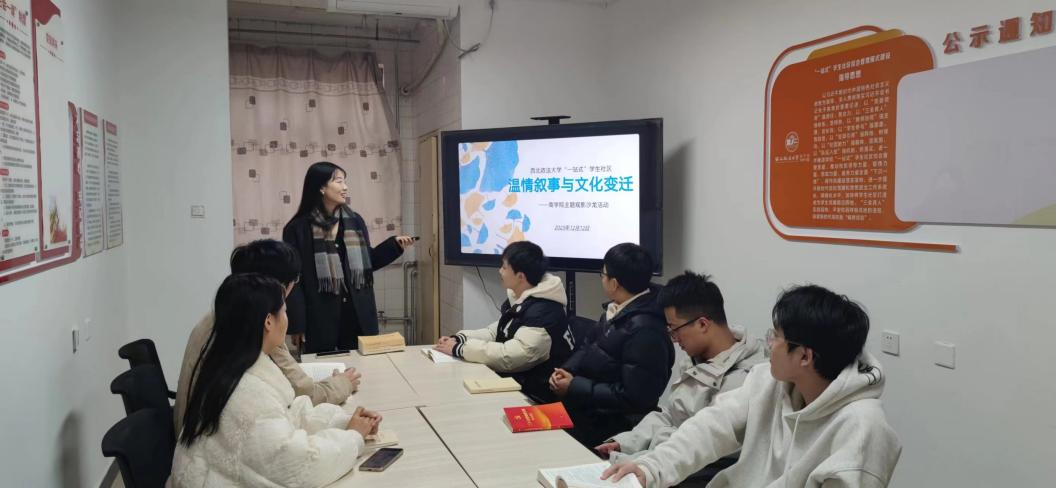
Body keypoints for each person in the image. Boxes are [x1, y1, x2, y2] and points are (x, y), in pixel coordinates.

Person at [603, 285, 902, 488]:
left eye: (776, 337)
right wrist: (651, 468)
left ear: (805, 356)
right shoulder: (768, 381)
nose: (768, 345)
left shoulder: (863, 430)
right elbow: (709, 428)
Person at [171, 274, 382, 487]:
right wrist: (353, 437)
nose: (287, 319)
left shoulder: (231, 367)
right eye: (285, 311)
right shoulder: (247, 395)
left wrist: (345, 422)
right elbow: (301, 466)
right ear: (268, 321)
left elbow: (289, 415)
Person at [173, 239, 361, 434]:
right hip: (209, 435)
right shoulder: (255, 323)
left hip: (194, 432)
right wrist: (342, 384)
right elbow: (305, 394)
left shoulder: (222, 314)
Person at [595, 271, 766, 466]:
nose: (674, 339)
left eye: (674, 329)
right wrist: (624, 444)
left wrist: (630, 460)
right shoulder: (697, 359)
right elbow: (673, 414)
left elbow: (694, 447)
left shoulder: (744, 380)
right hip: (659, 463)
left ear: (702, 324)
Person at [548, 243, 675, 448]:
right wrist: (567, 371)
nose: (602, 279)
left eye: (603, 274)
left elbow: (635, 397)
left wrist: (574, 386)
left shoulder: (646, 330)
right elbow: (587, 345)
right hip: (589, 410)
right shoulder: (616, 310)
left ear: (614, 283)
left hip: (614, 426)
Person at [283, 161, 415, 353]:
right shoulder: (297, 229)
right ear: (321, 187)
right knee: (324, 367)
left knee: (363, 369)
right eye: (338, 181)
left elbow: (368, 262)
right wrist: (297, 324)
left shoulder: (355, 221)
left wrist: (393, 246)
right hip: (319, 319)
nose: (345, 187)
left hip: (358, 317)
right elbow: (293, 280)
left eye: (345, 181)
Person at [434, 241, 571, 403]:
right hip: (517, 383)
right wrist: (459, 339)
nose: (500, 271)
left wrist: (460, 349)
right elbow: (496, 332)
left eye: (504, 267)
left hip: (535, 396)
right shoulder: (522, 297)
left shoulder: (543, 312)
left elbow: (511, 357)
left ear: (520, 276)